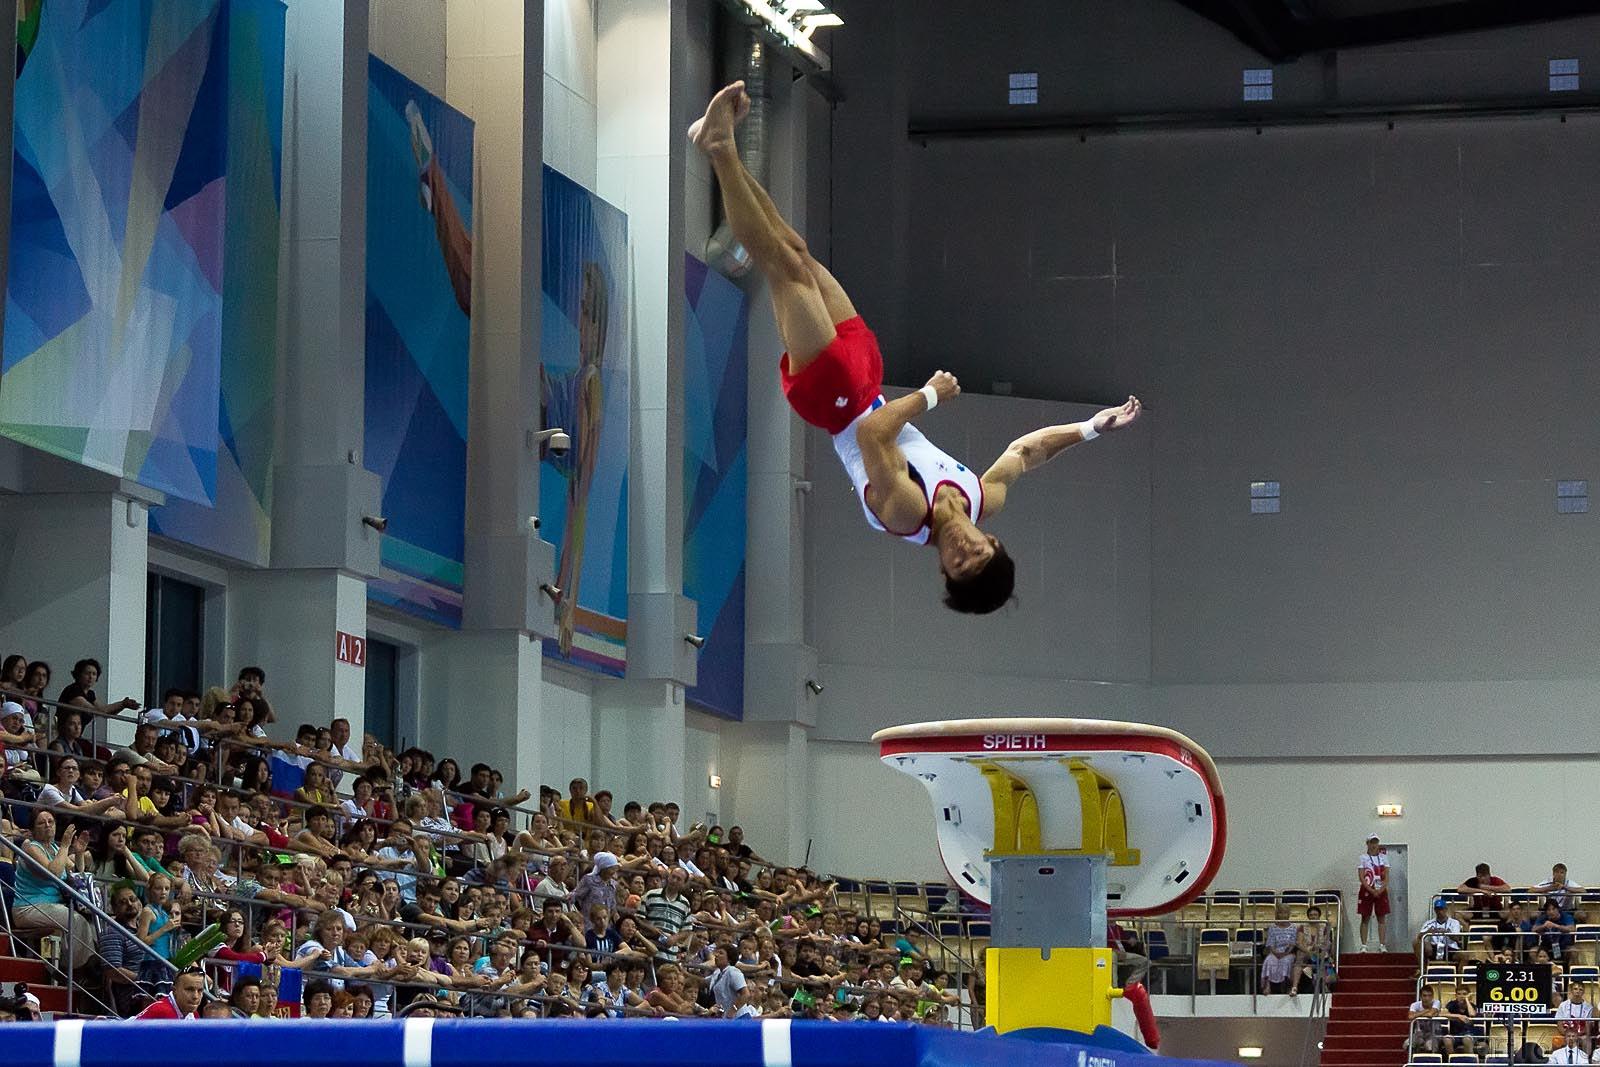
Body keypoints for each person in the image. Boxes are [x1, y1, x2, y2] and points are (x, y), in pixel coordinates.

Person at [689, 80, 1142, 615]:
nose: (961, 551)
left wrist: (929, 395)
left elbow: (873, 432)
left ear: (943, 570)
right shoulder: (981, 497)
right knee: (797, 252)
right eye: (976, 554)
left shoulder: (907, 514)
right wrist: (1090, 428)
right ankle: (722, 146)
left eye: (957, 565)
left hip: (837, 402)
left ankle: (718, 148)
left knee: (779, 265)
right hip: (866, 384)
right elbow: (1027, 452)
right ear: (991, 542)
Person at [12, 808, 97, 969]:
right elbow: (54, 873)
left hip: (54, 906)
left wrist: (79, 853)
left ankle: (88, 965)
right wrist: (65, 845)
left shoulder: (56, 850)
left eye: (51, 822)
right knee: (75, 920)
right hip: (28, 907)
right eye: (41, 823)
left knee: (92, 921)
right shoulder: (31, 847)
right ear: (33, 829)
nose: (47, 825)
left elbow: (76, 873)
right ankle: (76, 970)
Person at [1357, 835, 1390, 950]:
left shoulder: (1384, 858)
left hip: (1380, 889)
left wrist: (1380, 890)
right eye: (1372, 842)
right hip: (1367, 889)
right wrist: (1371, 889)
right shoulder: (1363, 858)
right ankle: (1364, 945)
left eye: (1376, 842)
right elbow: (1361, 877)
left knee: (1381, 917)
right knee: (1365, 917)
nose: (1374, 845)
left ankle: (1382, 944)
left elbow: (1387, 876)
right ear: (1368, 844)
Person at [135, 968, 208, 1019]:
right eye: (189, 989)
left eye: (200, 990)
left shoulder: (194, 1014)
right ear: (174, 990)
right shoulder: (162, 1011)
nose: (195, 996)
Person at [1260, 905, 1300, 996]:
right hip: (1275, 952)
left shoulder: (1294, 927)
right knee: (1269, 960)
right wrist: (1275, 953)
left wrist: (1285, 953)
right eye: (1281, 913)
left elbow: (1293, 944)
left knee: (1286, 961)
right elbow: (1271, 943)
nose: (1283, 915)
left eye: (1285, 913)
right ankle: (1267, 986)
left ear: (1288, 914)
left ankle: (1288, 986)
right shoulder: (1272, 927)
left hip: (1289, 952)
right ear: (1277, 914)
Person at [1557, 983, 1596, 1057]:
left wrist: (1576, 1035)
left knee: (1586, 1040)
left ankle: (1586, 1061)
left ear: (1583, 992)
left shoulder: (1588, 1007)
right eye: (1575, 989)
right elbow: (1559, 1025)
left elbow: (1588, 1028)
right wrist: (1568, 1035)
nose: (1578, 991)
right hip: (1565, 1034)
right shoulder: (1563, 1005)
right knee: (1557, 1040)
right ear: (1571, 991)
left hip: (1581, 1034)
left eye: (1580, 989)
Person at [1408, 984, 1448, 1056]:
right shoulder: (1414, 1005)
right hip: (1419, 1034)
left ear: (1432, 996)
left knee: (1429, 1046)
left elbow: (1430, 1014)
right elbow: (1410, 1017)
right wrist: (1427, 1010)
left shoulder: (1436, 1002)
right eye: (1425, 995)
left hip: (1434, 1033)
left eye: (1429, 996)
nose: (1427, 998)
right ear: (1420, 996)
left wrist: (1417, 1014)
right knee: (1407, 1044)